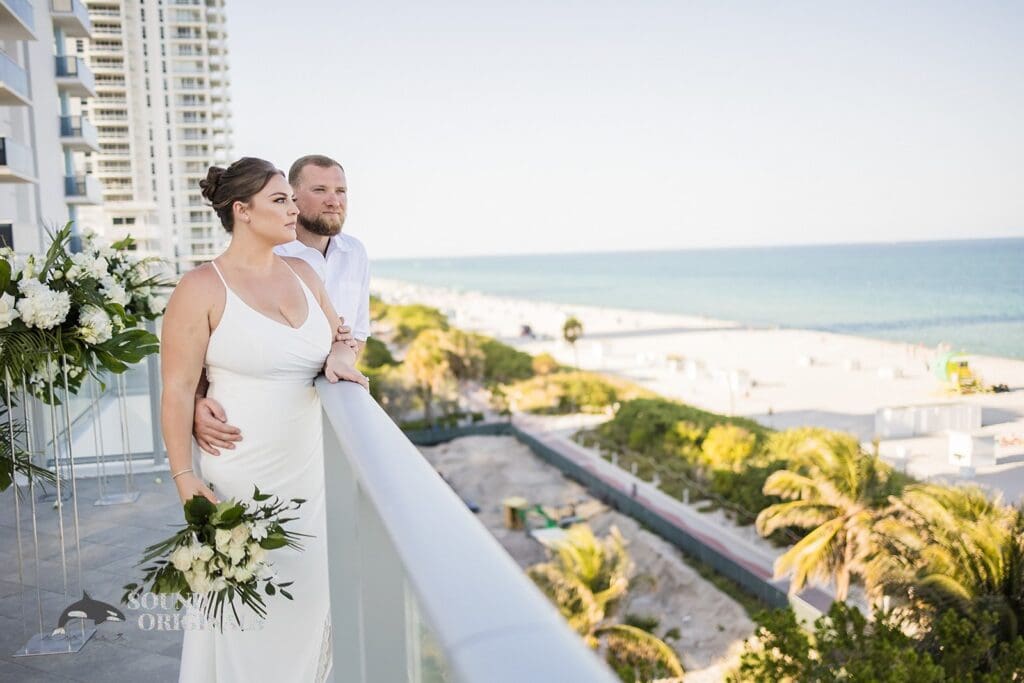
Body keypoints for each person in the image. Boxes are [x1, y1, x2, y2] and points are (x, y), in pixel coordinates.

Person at [161, 157, 367, 681]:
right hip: (241, 473)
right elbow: (178, 388)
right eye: (281, 199)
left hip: (312, 473)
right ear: (243, 211)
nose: (293, 208)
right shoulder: (200, 287)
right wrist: (184, 478)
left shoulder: (304, 274)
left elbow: (342, 337)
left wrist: (340, 356)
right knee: (251, 612)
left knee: (308, 603)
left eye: (292, 200)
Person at [193, 154, 370, 456]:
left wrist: (338, 370)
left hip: (326, 403)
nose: (334, 201)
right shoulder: (265, 254)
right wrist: (197, 402)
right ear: (293, 197)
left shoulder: (355, 252)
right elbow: (210, 341)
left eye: (341, 191)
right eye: (320, 190)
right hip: (250, 419)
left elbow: (357, 333)